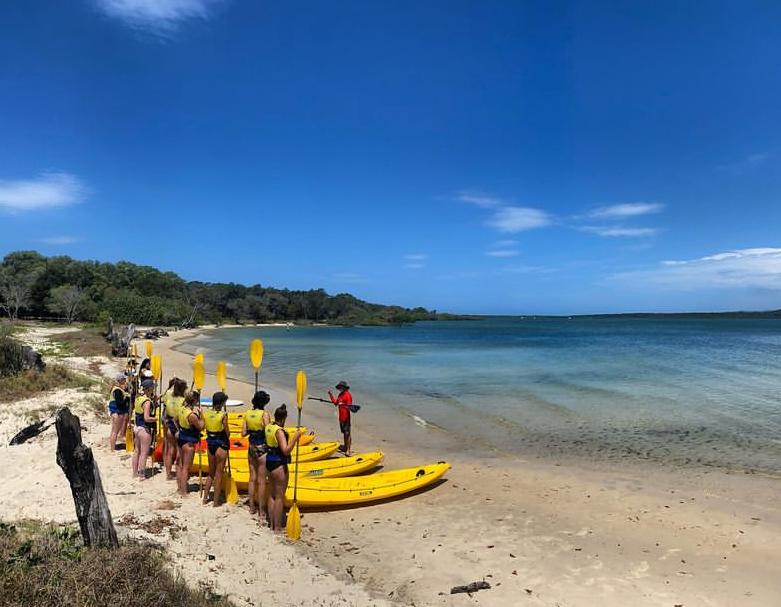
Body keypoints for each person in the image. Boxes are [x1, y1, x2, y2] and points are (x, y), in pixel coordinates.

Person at [264, 404, 302, 532]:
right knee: (279, 497)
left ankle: (271, 523)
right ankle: (277, 526)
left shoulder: (269, 427)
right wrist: (295, 438)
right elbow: (285, 450)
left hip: (269, 463)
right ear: (284, 418)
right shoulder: (279, 431)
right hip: (279, 465)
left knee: (272, 495)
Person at [242, 391, 271, 518]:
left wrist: (252, 429)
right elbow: (268, 432)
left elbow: (243, 433)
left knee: (252, 478)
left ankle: (252, 507)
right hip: (262, 449)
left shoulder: (247, 414)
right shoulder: (265, 414)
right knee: (261, 481)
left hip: (251, 448)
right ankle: (261, 510)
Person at [202, 391, 231, 507]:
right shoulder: (223, 415)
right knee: (219, 475)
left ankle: (204, 499)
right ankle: (215, 502)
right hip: (221, 445)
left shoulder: (207, 414)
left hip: (211, 445)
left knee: (211, 473)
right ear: (222, 402)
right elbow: (227, 433)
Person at [176, 391, 204, 497]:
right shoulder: (191, 415)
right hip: (189, 442)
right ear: (194, 401)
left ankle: (180, 487)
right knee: (186, 468)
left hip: (181, 438)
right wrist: (201, 415)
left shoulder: (182, 409)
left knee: (180, 465)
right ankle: (183, 491)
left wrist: (180, 429)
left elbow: (175, 420)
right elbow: (201, 426)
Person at [131, 379, 157, 480]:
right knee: (144, 454)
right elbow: (146, 417)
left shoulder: (138, 398)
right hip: (144, 429)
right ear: (149, 388)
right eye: (152, 387)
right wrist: (155, 419)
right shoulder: (147, 402)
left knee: (136, 451)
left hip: (137, 427)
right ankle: (142, 475)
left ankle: (134, 473)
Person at [162, 378, 186, 480]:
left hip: (170, 425)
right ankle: (178, 472)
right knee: (179, 451)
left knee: (170, 450)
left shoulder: (170, 399)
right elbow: (182, 416)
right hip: (178, 427)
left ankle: (168, 474)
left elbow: (166, 415)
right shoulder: (183, 401)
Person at [328, 381, 353, 456]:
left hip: (346, 418)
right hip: (341, 418)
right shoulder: (340, 395)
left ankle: (348, 450)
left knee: (347, 433)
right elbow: (336, 403)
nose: (340, 388)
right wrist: (331, 395)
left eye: (341, 387)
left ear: (345, 387)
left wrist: (343, 404)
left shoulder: (348, 395)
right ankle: (345, 447)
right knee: (344, 433)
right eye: (339, 387)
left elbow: (350, 406)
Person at [107, 373, 130, 451]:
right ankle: (112, 448)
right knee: (115, 431)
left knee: (115, 431)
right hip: (116, 412)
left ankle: (113, 447)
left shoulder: (118, 389)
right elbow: (120, 403)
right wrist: (127, 398)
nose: (126, 380)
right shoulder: (117, 390)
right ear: (121, 380)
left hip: (117, 412)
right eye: (124, 379)